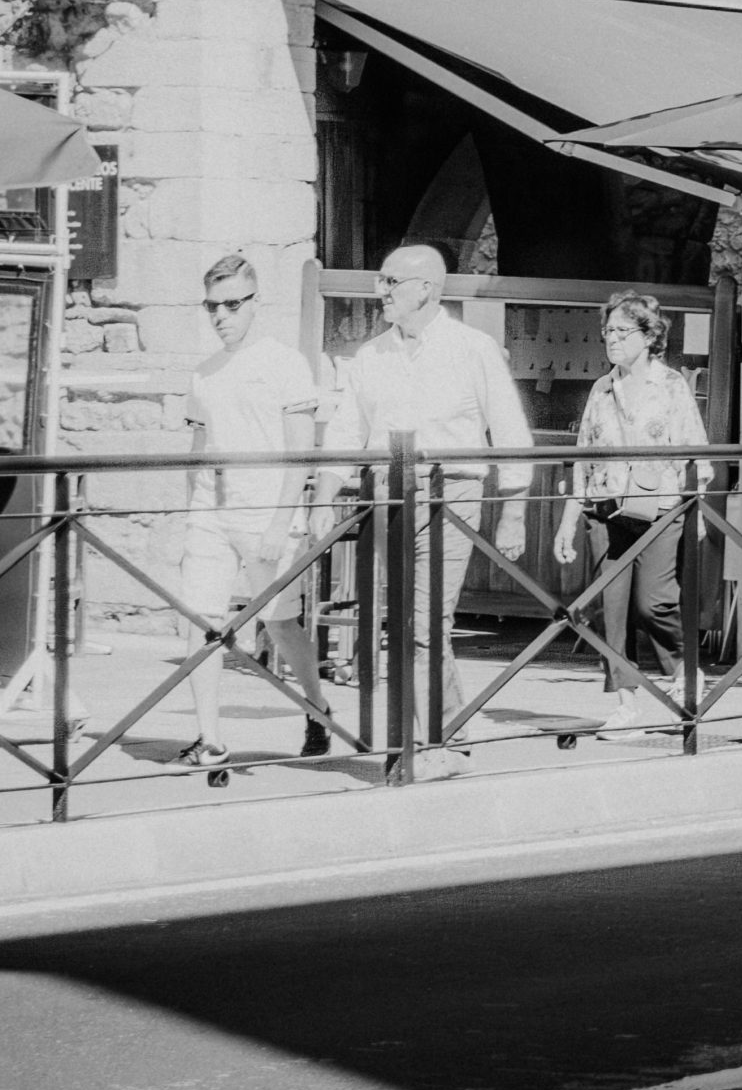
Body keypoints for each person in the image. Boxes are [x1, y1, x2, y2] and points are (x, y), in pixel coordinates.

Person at [318, 244, 534, 756]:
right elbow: (346, 430)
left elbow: (509, 429)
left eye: (390, 281)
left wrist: (514, 512)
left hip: (450, 494)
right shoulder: (371, 355)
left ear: (426, 289)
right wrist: (323, 499)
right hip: (386, 495)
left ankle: (438, 742)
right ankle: (439, 738)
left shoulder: (472, 348)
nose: (380, 291)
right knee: (404, 620)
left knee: (426, 623)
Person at [175, 253, 329, 768]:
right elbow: (199, 448)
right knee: (201, 620)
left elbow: (300, 451)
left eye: (232, 304)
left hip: (266, 512)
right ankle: (210, 738)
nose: (221, 316)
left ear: (254, 302)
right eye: (212, 306)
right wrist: (191, 512)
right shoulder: (204, 372)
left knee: (281, 623)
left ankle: (316, 708)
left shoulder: (284, 363)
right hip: (212, 512)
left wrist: (281, 522)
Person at [553, 292, 709, 739]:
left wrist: (695, 511)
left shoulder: (671, 385)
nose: (613, 339)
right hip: (606, 511)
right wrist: (568, 521)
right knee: (611, 610)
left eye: (623, 331)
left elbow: (696, 453)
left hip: (659, 508)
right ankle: (626, 704)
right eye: (608, 331)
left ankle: (684, 671)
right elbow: (584, 457)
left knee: (653, 602)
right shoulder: (601, 388)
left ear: (649, 336)